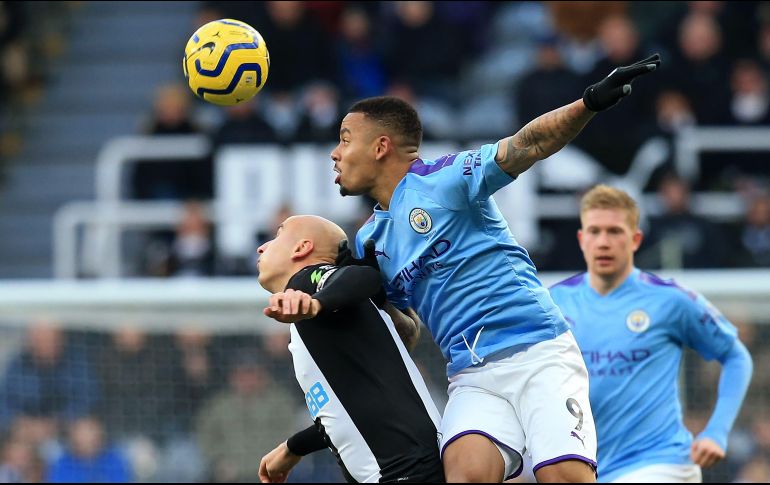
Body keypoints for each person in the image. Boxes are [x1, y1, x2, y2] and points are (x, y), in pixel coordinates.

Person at [330, 53, 662, 482]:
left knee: (563, 477)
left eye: (344, 138)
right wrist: (361, 294)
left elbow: (529, 144)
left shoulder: (444, 180)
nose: (336, 154)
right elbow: (408, 330)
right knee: (465, 475)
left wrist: (589, 103)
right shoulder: (370, 241)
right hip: (472, 375)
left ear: (380, 147)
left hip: (539, 352)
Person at [549, 185, 753, 482]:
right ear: (581, 239)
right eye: (594, 231)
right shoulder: (554, 303)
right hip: (587, 466)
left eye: (614, 232)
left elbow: (736, 356)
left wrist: (717, 432)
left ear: (635, 239)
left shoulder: (670, 299)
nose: (603, 242)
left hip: (661, 462)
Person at [256, 215, 444, 483]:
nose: (261, 247)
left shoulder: (307, 281)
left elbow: (363, 275)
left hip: (407, 472)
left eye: (277, 236)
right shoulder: (332, 312)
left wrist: (316, 303)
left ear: (302, 248)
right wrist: (293, 447)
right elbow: (348, 412)